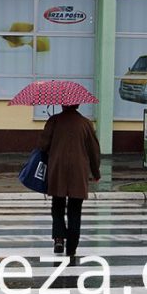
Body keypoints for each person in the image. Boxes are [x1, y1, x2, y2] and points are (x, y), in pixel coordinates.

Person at [38, 104, 101, 265]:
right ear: (77, 104)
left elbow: (43, 146)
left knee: (57, 206)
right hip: (78, 172)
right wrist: (96, 173)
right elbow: (94, 150)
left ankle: (59, 238)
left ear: (62, 104)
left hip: (57, 169)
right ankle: (72, 246)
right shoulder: (86, 124)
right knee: (75, 210)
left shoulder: (54, 121)